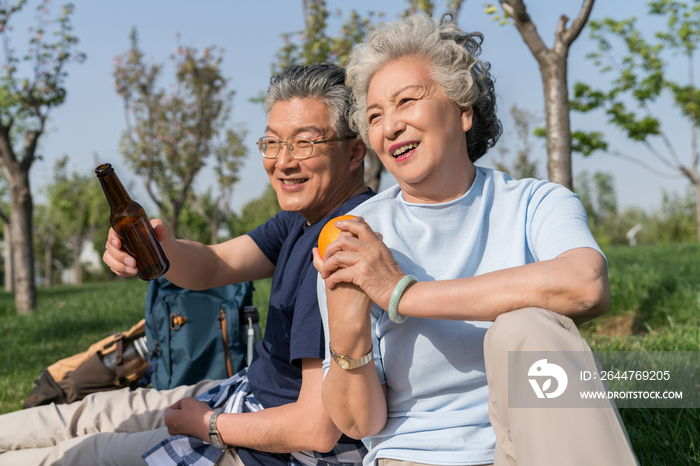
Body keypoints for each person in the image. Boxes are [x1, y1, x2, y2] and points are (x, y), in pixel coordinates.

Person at [0, 63, 373, 466]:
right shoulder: (305, 217)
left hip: (269, 444)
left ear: (355, 152)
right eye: (272, 142)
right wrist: (159, 246)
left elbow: (316, 428)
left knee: (70, 456)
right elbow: (214, 265)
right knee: (78, 416)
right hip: (242, 392)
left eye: (304, 143)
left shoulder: (343, 245)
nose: (282, 161)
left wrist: (211, 425)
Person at [314, 15, 640, 466]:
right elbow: (358, 424)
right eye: (374, 116)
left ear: (464, 110)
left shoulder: (535, 204)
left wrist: (402, 293)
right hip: (415, 457)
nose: (389, 127)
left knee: (526, 327)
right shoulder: (357, 237)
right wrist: (349, 337)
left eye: (407, 101)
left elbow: (585, 285)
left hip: (541, 448)